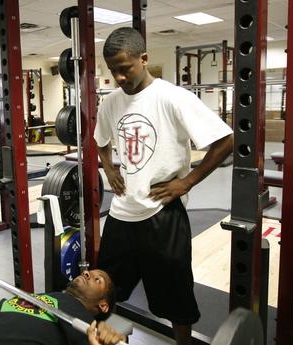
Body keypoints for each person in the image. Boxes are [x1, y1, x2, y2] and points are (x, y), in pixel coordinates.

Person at [94, 27, 234, 345]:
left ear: (143, 59)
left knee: (176, 298)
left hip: (163, 216)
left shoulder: (173, 98)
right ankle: (104, 340)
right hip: (121, 216)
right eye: (112, 70)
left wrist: (187, 182)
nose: (118, 77)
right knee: (104, 290)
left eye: (124, 68)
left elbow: (226, 140)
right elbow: (100, 141)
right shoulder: (110, 103)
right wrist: (109, 168)